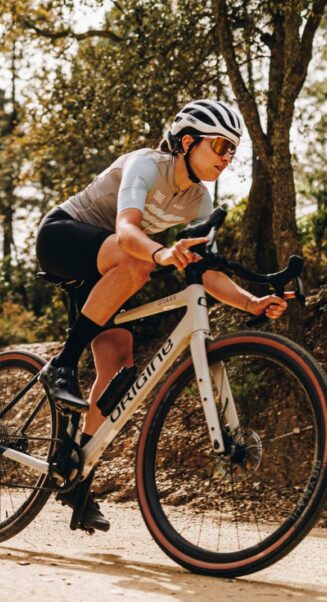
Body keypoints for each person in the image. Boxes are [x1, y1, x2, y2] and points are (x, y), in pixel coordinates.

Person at [34, 99, 291, 531]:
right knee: (138, 264)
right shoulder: (147, 165)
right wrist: (161, 251)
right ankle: (60, 366)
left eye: (233, 151)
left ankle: (76, 475)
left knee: (119, 364)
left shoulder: (198, 199)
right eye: (221, 147)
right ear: (187, 141)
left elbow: (205, 270)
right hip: (63, 238)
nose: (228, 158)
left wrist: (251, 302)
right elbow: (127, 231)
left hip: (103, 267)